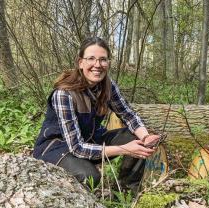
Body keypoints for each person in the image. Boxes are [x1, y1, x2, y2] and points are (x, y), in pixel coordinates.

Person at [33, 37, 160, 190]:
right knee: (90, 176)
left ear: (108, 63)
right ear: (81, 63)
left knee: (137, 139)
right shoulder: (64, 94)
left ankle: (127, 193)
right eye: (91, 59)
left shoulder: (108, 85)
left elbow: (128, 115)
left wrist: (145, 137)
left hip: (90, 139)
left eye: (103, 59)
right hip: (57, 148)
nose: (97, 65)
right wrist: (125, 149)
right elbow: (77, 148)